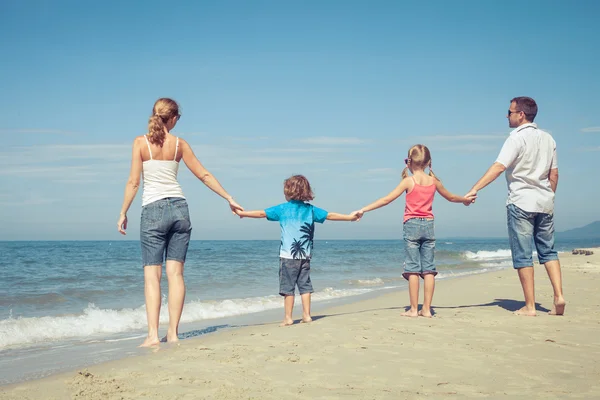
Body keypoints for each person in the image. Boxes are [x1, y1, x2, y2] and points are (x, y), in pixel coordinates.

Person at [117, 98, 243, 347]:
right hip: (180, 210)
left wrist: (123, 212)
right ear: (172, 118)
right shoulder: (179, 145)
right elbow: (204, 175)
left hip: (153, 211)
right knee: (176, 274)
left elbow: (133, 182)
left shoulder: (140, 143)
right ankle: (173, 333)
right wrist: (228, 197)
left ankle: (153, 335)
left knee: (152, 276)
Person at [465, 96, 565, 316]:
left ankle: (530, 306)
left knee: (523, 255)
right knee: (548, 252)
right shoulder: (549, 139)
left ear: (521, 115)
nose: (506, 116)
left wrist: (475, 188)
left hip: (521, 201)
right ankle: (559, 296)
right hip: (545, 202)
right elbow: (554, 173)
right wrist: (548, 195)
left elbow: (499, 167)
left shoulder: (515, 138)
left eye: (509, 112)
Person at [352, 145, 475, 318]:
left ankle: (413, 309)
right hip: (429, 225)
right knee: (429, 269)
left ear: (409, 162)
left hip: (411, 225)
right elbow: (451, 197)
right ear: (428, 162)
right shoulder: (434, 181)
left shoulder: (408, 181)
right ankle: (426, 309)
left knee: (413, 269)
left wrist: (364, 209)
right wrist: (465, 200)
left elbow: (386, 199)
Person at [234, 175, 357, 326]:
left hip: (287, 256)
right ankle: (306, 315)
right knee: (305, 286)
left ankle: (288, 317)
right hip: (305, 256)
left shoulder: (282, 209)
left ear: (289, 191)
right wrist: (349, 217)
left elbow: (261, 214)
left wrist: (242, 213)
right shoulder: (310, 210)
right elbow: (330, 215)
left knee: (288, 288)